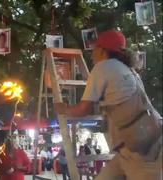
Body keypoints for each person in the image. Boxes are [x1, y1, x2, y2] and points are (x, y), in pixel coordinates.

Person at [55, 29, 162, 180]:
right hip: (138, 145)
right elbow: (115, 103)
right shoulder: (129, 71)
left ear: (102, 50)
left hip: (142, 153)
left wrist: (64, 108)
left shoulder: (104, 67)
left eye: (94, 49)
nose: (92, 54)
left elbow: (83, 109)